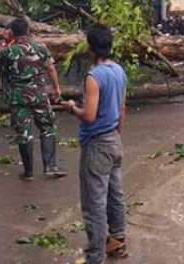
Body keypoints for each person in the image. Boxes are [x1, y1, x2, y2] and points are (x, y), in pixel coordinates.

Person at [62, 25, 128, 263]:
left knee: (94, 203)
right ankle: (118, 241)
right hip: (113, 139)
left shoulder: (93, 76)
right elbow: (121, 109)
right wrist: (117, 135)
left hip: (97, 143)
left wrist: (72, 108)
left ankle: (95, 255)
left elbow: (89, 115)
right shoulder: (119, 71)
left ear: (90, 48)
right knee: (115, 194)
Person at [0, 18, 65, 180]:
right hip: (39, 95)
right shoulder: (40, 48)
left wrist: (2, 47)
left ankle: (28, 172)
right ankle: (50, 166)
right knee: (47, 128)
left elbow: (0, 68)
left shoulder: (8, 52)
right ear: (28, 30)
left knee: (24, 133)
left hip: (18, 97)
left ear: (12, 32)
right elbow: (50, 68)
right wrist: (56, 89)